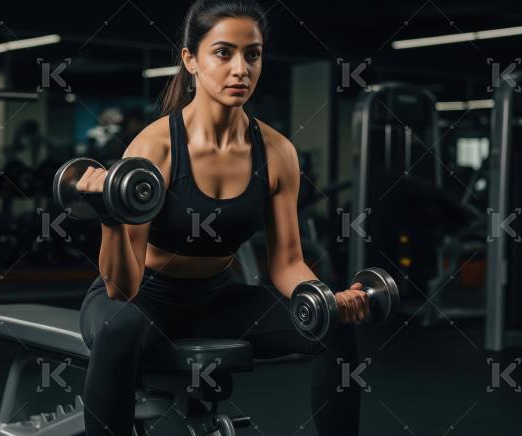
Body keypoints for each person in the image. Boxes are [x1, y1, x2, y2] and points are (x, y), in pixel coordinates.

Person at [76, 1, 370, 434]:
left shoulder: (277, 152)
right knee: (120, 331)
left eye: (252, 54)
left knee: (333, 327)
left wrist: (322, 298)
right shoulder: (154, 147)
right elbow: (122, 287)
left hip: (218, 300)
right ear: (190, 60)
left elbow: (287, 261)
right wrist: (109, 215)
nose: (241, 69)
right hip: (143, 300)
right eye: (223, 52)